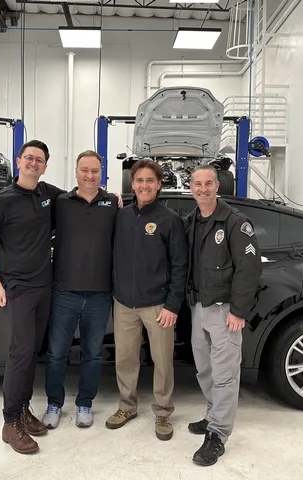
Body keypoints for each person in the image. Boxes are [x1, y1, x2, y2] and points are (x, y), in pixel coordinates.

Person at [0, 139, 66, 455]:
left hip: (45, 286)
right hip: (19, 288)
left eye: (39, 160)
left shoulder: (48, 195)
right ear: (19, 161)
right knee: (20, 353)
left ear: (45, 166)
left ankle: (24, 408)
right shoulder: (1, 201)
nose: (33, 163)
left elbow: (79, 200)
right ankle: (10, 422)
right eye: (29, 158)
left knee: (33, 350)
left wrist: (114, 198)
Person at [183, 163, 262, 467]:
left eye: (208, 183)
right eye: (197, 184)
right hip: (199, 307)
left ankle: (217, 435)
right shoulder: (192, 221)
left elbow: (249, 268)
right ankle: (212, 415)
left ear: (217, 186)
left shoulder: (234, 222)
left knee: (225, 374)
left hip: (224, 310)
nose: (202, 189)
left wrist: (239, 311)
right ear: (191, 188)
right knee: (205, 369)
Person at [105, 159, 188, 442]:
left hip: (157, 305)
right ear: (132, 184)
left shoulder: (170, 220)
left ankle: (163, 412)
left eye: (149, 180)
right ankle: (127, 407)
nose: (144, 185)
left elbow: (180, 266)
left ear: (159, 184)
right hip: (124, 303)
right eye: (139, 180)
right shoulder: (121, 216)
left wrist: (172, 305)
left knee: (162, 362)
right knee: (125, 359)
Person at [42, 150, 119, 430]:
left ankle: (85, 403)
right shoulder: (60, 203)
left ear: (102, 173)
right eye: (84, 170)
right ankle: (54, 404)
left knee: (93, 354)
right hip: (64, 293)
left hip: (100, 295)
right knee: (56, 353)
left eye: (95, 171)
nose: (89, 175)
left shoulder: (112, 203)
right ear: (75, 172)